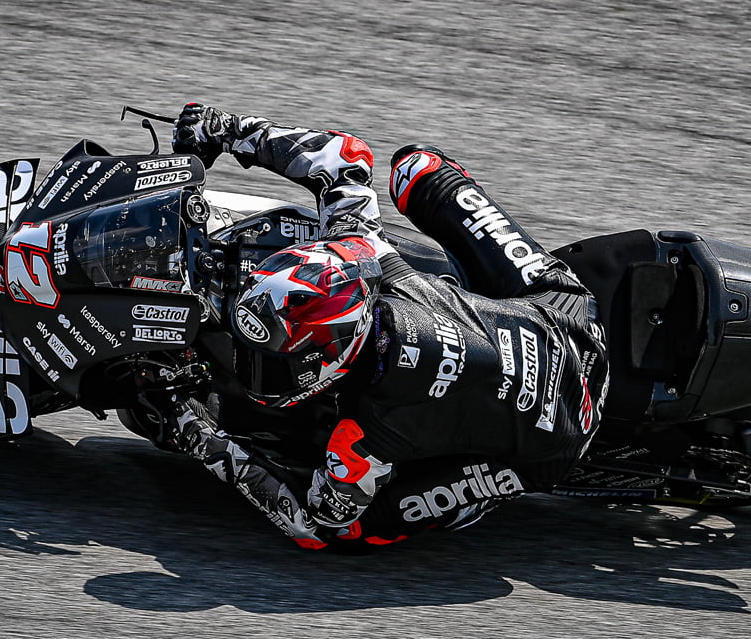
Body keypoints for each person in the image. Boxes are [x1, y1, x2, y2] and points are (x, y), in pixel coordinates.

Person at [164, 102, 609, 549]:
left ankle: (494, 480)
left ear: (332, 356)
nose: (252, 367)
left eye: (271, 364)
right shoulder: (362, 248)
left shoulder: (368, 431)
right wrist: (229, 130)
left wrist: (205, 440)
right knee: (418, 167)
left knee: (347, 530)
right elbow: (345, 155)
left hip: (560, 439)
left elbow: (312, 524)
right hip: (566, 312)